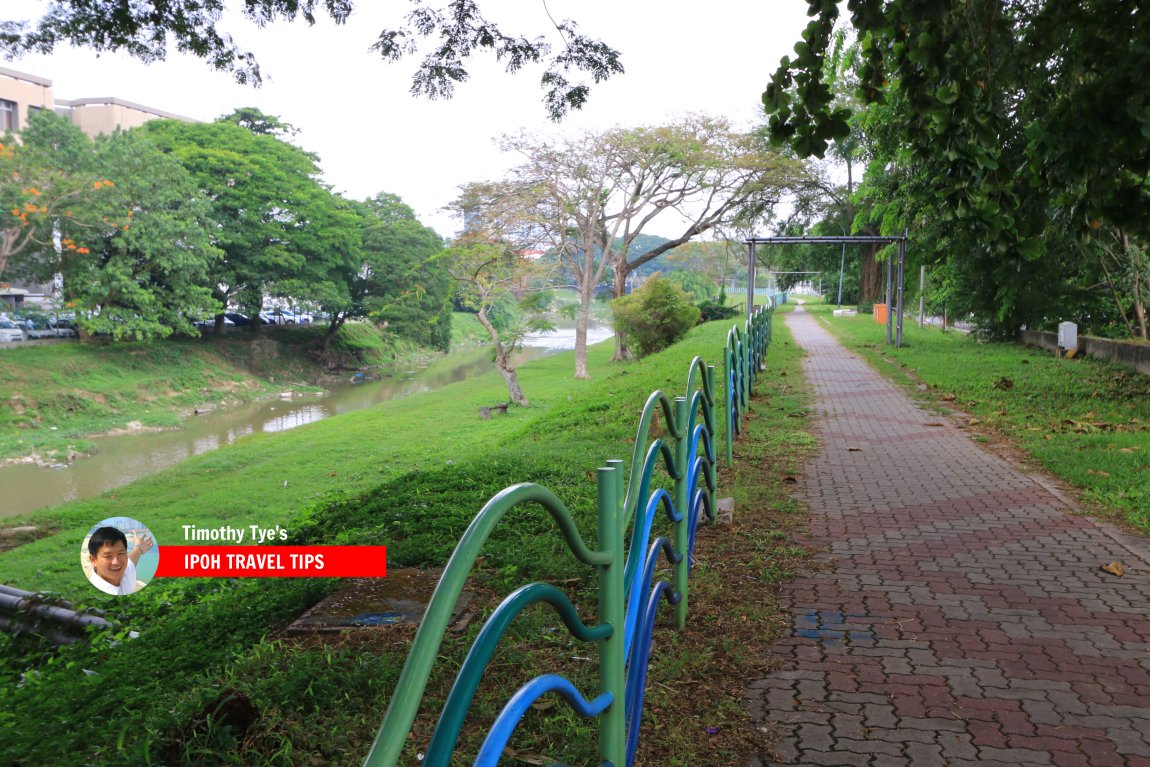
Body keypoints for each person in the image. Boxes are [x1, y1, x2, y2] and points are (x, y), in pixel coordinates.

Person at [86, 526, 154, 595]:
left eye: (120, 553)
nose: (116, 562)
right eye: (108, 556)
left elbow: (132, 559)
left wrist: (139, 547)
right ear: (93, 560)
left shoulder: (125, 572)